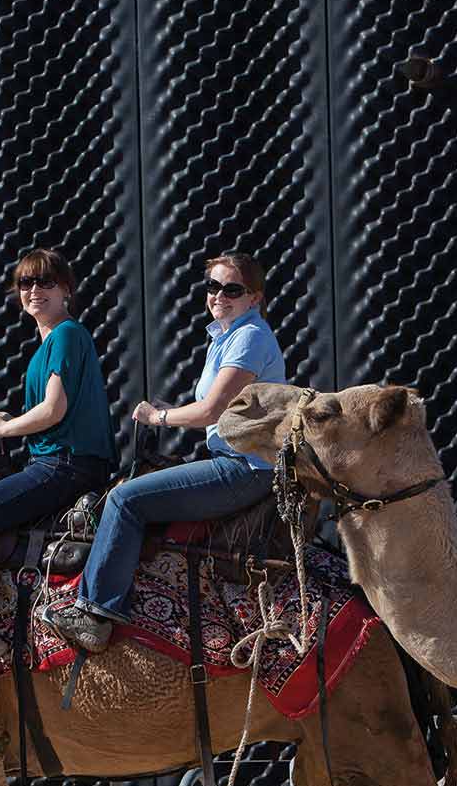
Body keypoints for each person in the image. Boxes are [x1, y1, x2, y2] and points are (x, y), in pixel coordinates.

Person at [45, 251, 285, 651]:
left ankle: (94, 614)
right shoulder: (227, 336)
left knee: (125, 500)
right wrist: (169, 411)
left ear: (255, 297)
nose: (219, 296)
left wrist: (159, 417)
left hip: (244, 469)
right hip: (233, 462)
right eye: (213, 286)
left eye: (232, 289)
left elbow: (211, 409)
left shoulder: (250, 337)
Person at [0, 248, 117, 683]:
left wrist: (4, 429)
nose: (34, 291)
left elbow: (53, 411)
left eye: (45, 282)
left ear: (67, 291)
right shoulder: (48, 344)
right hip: (60, 460)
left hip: (64, 464)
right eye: (26, 283)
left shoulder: (66, 336)